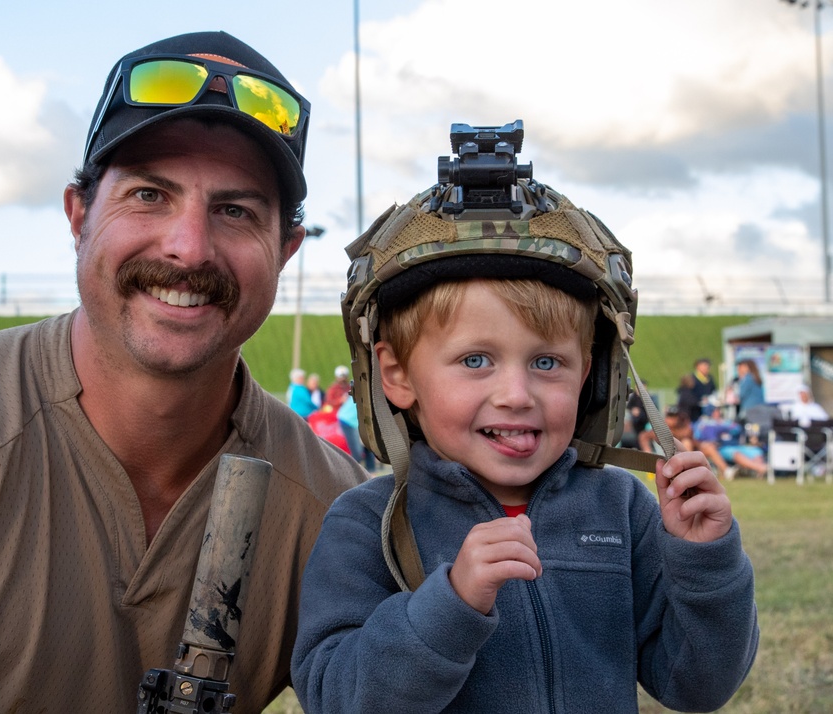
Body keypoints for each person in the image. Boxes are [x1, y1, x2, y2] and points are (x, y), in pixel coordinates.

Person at [0, 32, 368, 713]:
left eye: (235, 210)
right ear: (78, 215)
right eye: (149, 195)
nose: (188, 247)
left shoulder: (335, 514)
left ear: (286, 250)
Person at [292, 122, 758, 713]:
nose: (516, 394)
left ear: (589, 372)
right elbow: (336, 697)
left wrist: (705, 563)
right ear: (397, 376)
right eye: (475, 360)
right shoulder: (368, 525)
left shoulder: (622, 508)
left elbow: (698, 687)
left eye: (546, 362)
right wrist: (449, 605)